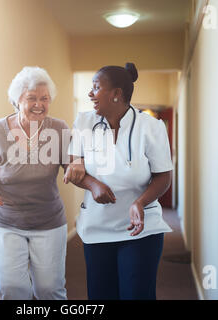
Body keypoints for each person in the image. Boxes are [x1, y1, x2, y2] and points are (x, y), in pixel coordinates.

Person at [0, 66, 84, 300]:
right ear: (16, 100)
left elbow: (72, 163)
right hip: (5, 221)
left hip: (48, 221)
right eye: (31, 98)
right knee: (13, 291)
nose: (39, 104)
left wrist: (77, 162)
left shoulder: (59, 128)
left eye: (45, 98)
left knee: (49, 290)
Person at [65, 62, 173, 300]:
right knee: (101, 295)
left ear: (116, 94)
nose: (90, 93)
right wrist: (93, 184)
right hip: (97, 226)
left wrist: (141, 203)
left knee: (136, 294)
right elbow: (75, 170)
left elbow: (163, 176)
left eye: (96, 87)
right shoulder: (84, 122)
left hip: (140, 229)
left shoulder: (150, 127)